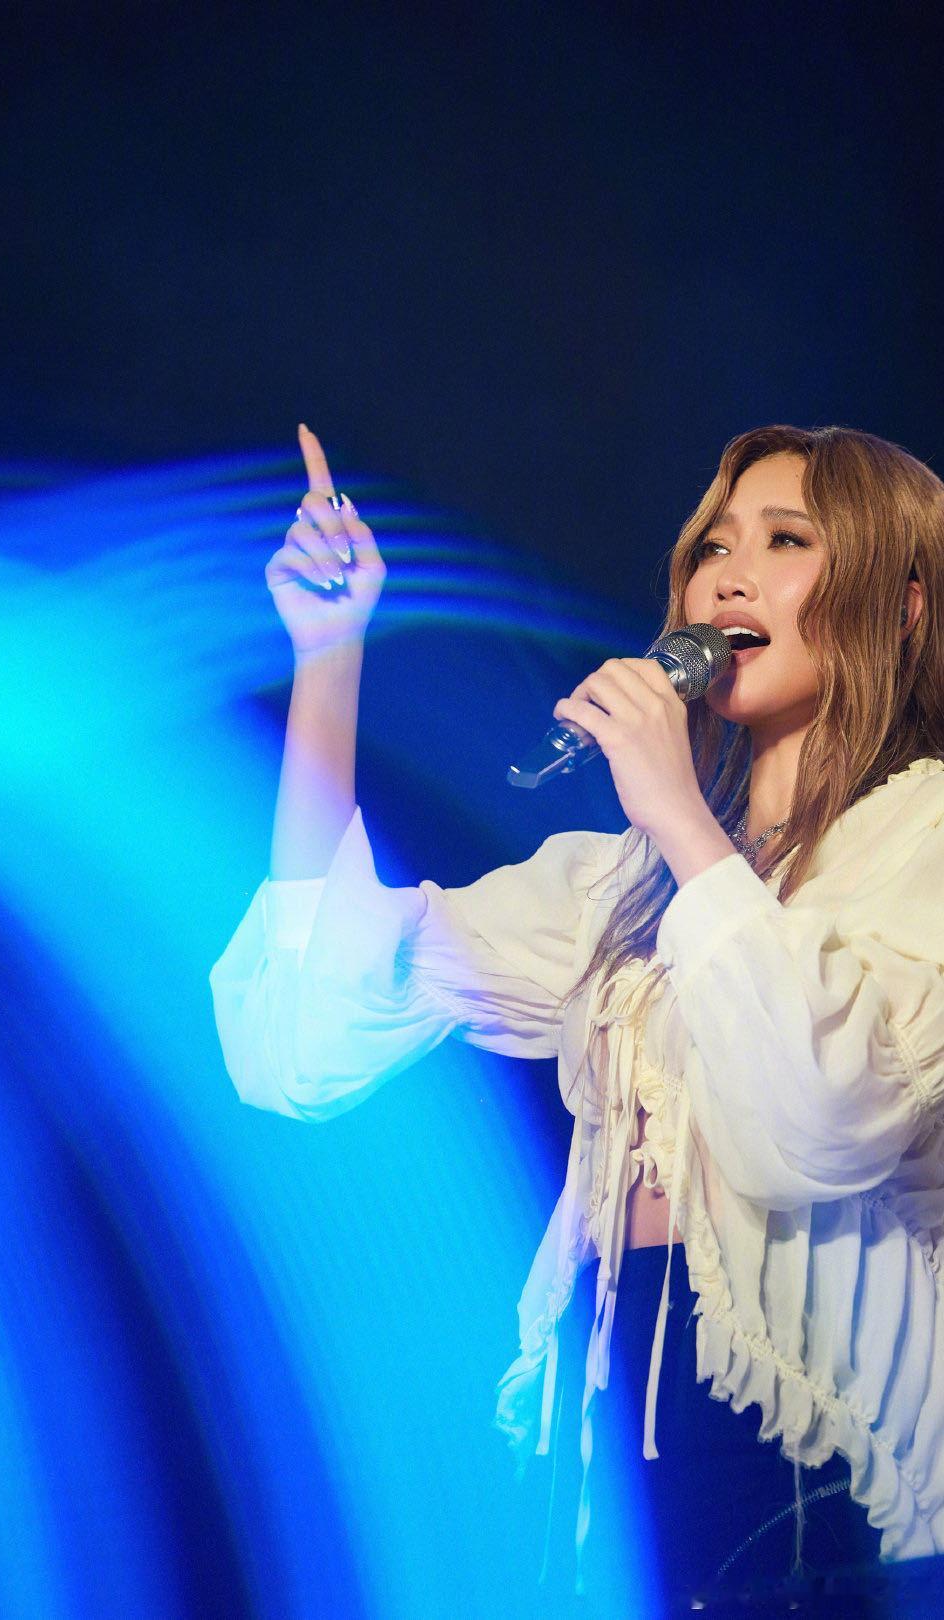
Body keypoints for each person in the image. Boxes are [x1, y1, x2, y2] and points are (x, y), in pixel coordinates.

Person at [212, 422, 944, 1608]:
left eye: (786, 542)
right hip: (620, 1464)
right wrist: (329, 659)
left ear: (903, 606)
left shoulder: (921, 839)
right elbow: (304, 1034)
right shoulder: (625, 884)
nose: (730, 577)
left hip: (841, 1489)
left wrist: (677, 815)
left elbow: (812, 1125)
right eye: (713, 547)